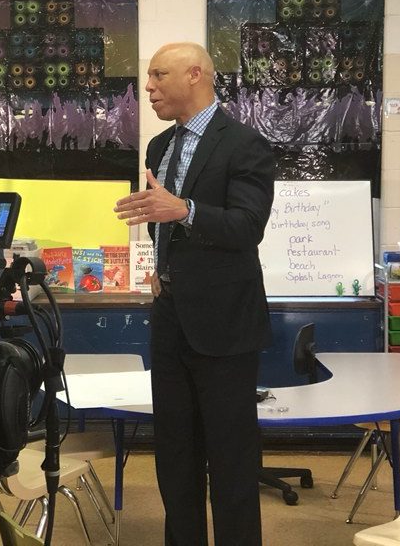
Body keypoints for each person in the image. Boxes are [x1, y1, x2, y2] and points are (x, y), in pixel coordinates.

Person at [114, 42, 275, 546]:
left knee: (231, 461)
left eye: (159, 75)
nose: (149, 87)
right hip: (169, 319)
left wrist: (184, 209)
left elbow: (248, 227)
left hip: (225, 323)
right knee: (175, 458)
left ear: (196, 75)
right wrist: (160, 267)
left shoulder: (244, 144)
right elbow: (161, 217)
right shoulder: (159, 148)